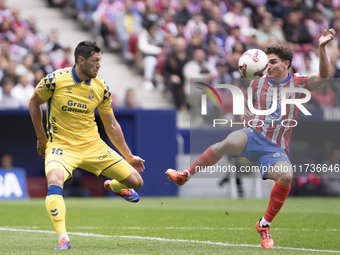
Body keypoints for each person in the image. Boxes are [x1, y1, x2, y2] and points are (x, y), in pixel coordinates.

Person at [166, 29, 336, 249]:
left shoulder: (298, 82)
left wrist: (322, 47)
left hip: (274, 147)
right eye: (268, 62)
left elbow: (323, 76)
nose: (269, 66)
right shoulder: (257, 82)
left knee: (287, 175)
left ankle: (264, 225)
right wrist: (244, 110)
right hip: (253, 135)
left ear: (286, 64)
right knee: (228, 142)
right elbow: (247, 101)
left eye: (274, 62)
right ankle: (185, 175)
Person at [29, 41, 145, 250]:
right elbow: (34, 102)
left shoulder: (101, 87)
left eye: (100, 61)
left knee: (137, 182)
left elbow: (111, 124)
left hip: (93, 147)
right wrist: (41, 137)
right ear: (81, 60)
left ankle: (114, 186)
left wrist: (129, 156)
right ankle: (63, 237)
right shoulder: (55, 80)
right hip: (61, 147)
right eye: (96, 61)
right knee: (54, 181)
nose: (99, 66)